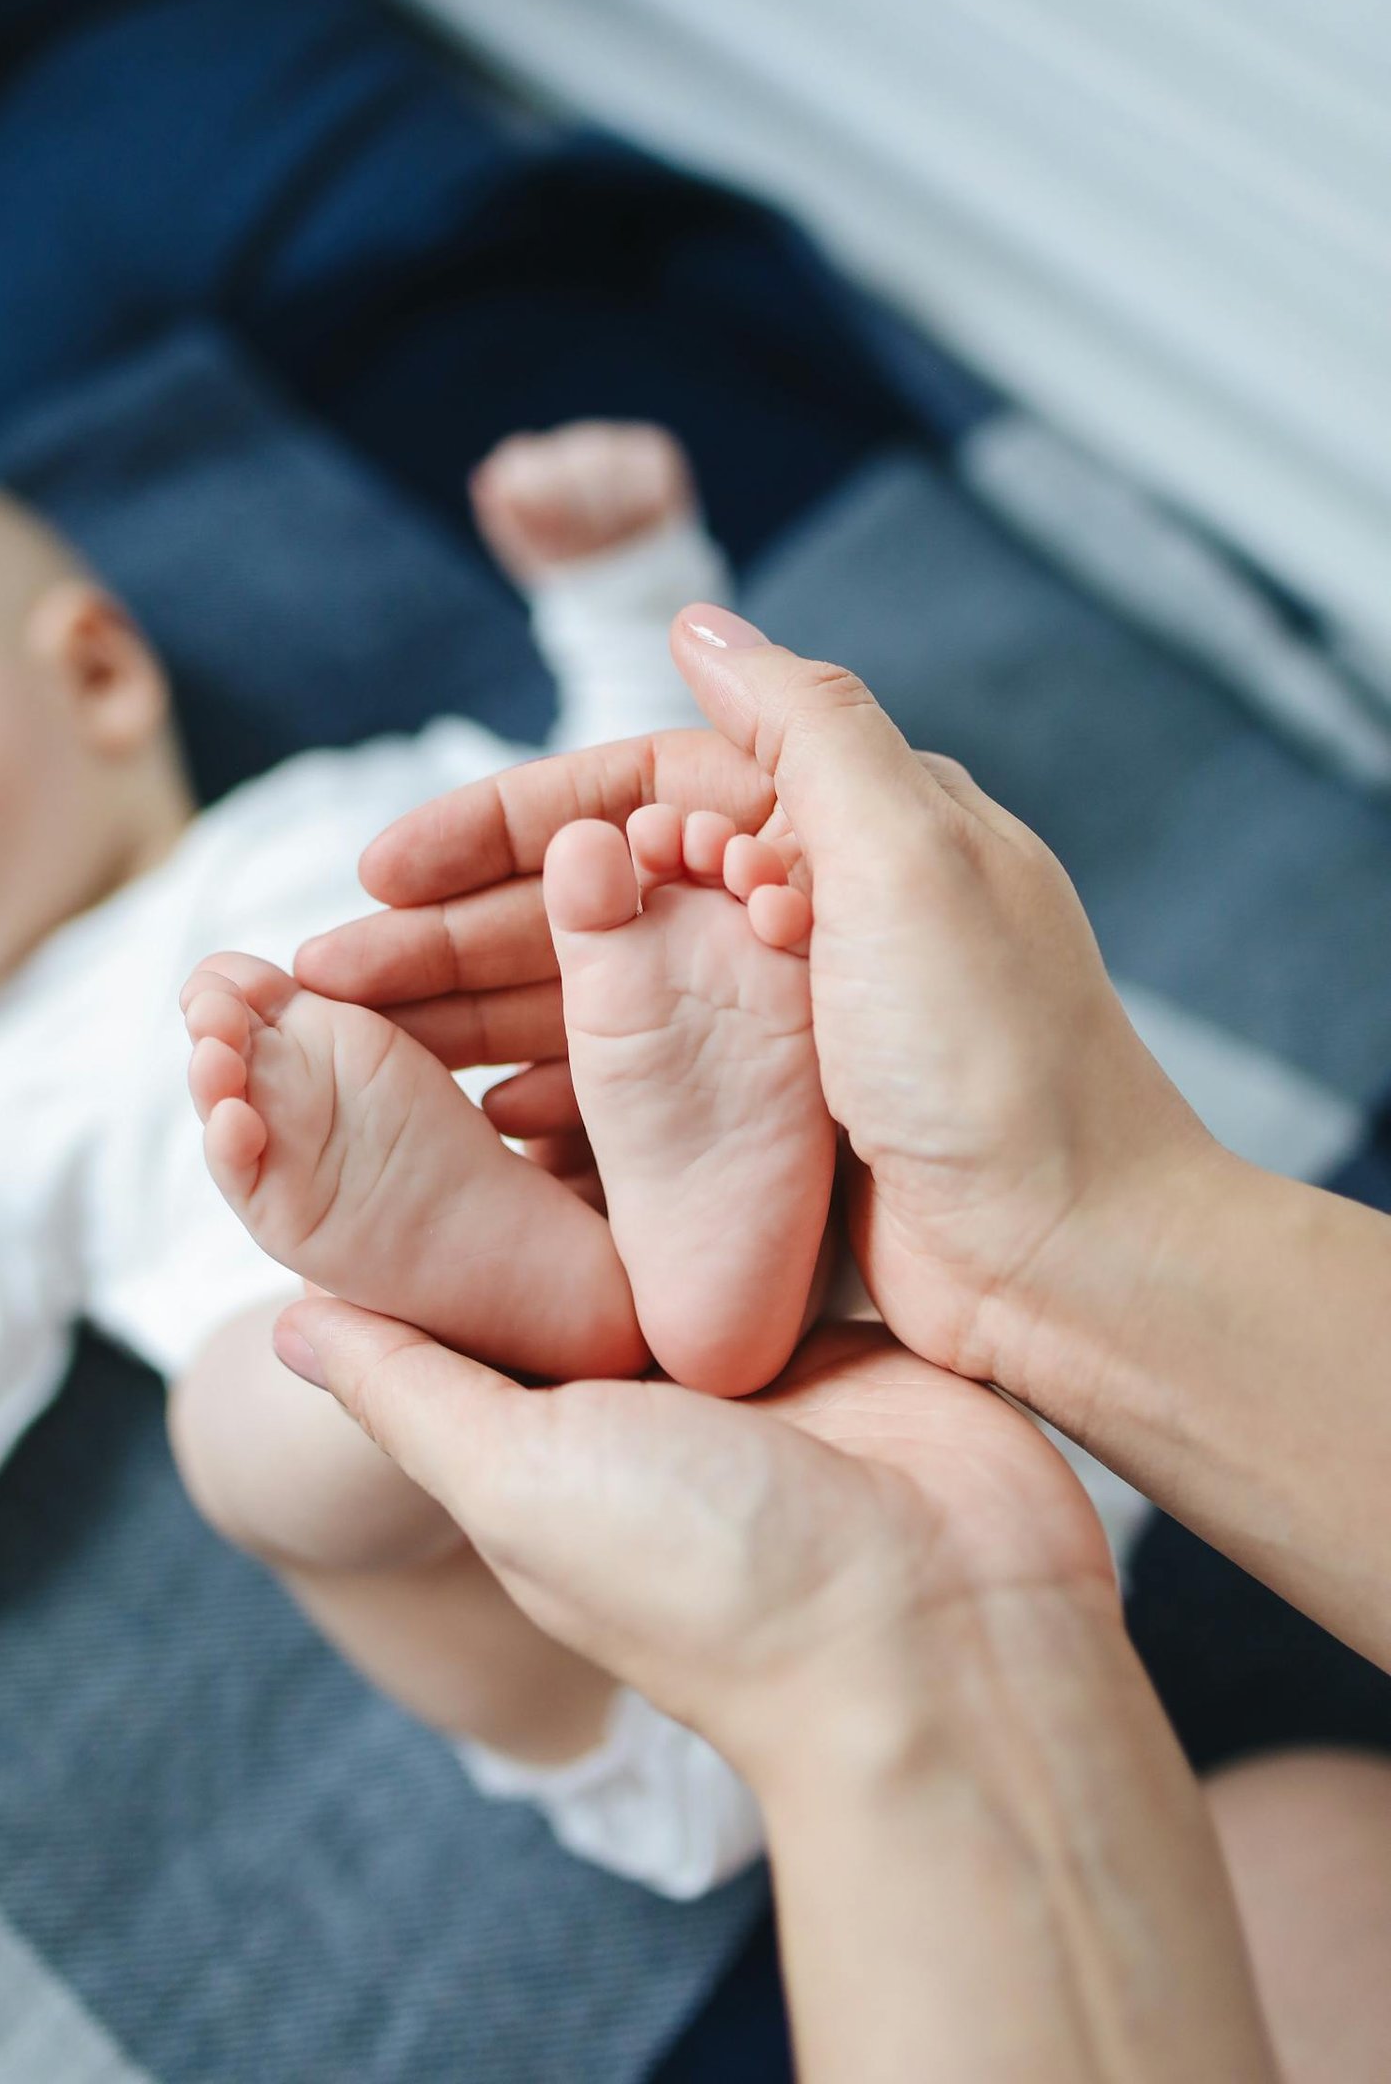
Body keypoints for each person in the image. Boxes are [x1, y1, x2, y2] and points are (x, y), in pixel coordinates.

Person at [278, 606, 1391, 2080]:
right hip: (672, 1309)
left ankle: (538, 1297)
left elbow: (612, 765)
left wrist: (615, 592)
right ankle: (549, 1289)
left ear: (93, 671)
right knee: (1318, 1840)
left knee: (260, 1451)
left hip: (579, 1486)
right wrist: (1090, 1228)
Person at [0, 431, 806, 1899]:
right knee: (250, 1413)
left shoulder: (369, 806)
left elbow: (633, 787)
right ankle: (507, 1290)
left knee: (656, 896)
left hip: (858, 1393)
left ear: (94, 677)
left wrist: (619, 585)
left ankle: (588, 1250)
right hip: (588, 1626)